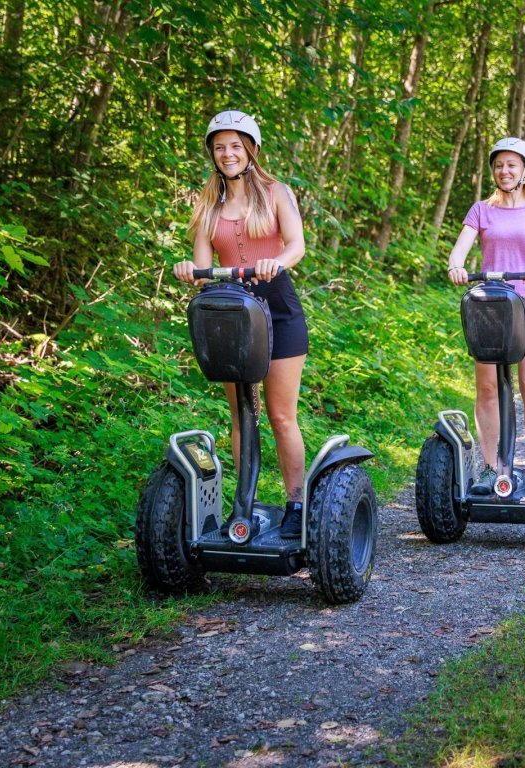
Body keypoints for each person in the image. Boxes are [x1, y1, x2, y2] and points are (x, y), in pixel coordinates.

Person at [173, 110, 309, 538]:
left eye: (235, 145)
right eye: (219, 147)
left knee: (280, 415)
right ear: (212, 154)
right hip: (231, 314)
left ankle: (296, 503)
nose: (227, 154)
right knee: (240, 416)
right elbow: (202, 267)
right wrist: (188, 271)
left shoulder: (275, 192)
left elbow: (297, 245)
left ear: (251, 149)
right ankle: (245, 504)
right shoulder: (209, 205)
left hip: (278, 308)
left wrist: (276, 262)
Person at [446, 137, 525, 496]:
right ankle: (491, 468)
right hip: (490, 308)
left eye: (511, 165)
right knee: (488, 388)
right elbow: (460, 248)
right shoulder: (481, 210)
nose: (504, 171)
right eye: (499, 165)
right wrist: (456, 266)